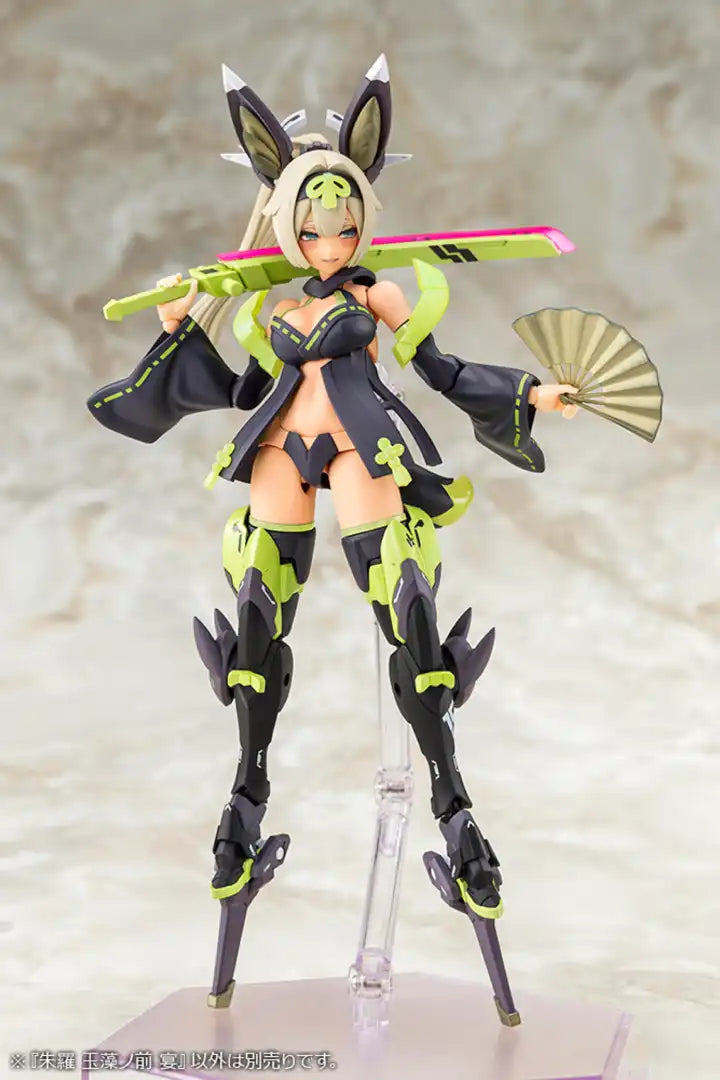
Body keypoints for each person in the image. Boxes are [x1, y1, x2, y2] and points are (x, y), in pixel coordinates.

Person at [87, 55, 578, 921]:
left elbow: (440, 368)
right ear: (285, 224)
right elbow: (244, 390)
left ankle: (455, 807)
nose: (327, 244)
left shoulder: (378, 294)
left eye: (341, 228)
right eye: (311, 231)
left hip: (360, 441)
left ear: (362, 220)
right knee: (256, 612)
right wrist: (175, 327)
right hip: (281, 443)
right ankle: (244, 795)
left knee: (406, 601)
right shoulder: (273, 308)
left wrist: (530, 394)